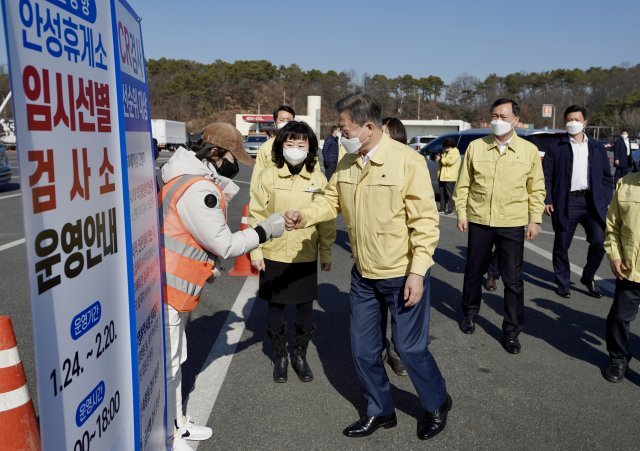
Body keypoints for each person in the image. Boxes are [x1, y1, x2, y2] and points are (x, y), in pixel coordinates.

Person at [285, 93, 451, 441]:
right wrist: (304, 216)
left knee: (408, 348)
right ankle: (381, 410)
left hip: (402, 273)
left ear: (369, 127)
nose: (339, 134)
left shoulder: (408, 162)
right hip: (364, 275)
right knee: (362, 349)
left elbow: (425, 223)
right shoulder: (348, 162)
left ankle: (436, 402)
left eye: (344, 128)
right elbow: (331, 201)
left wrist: (418, 272)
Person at [159, 123, 285, 450]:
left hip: (173, 286)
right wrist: (266, 230)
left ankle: (179, 423)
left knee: (176, 359)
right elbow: (224, 243)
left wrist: (205, 267)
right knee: (169, 365)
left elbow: (186, 237)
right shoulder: (198, 189)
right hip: (169, 292)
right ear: (215, 152)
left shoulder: (183, 178)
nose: (236, 163)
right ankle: (169, 436)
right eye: (233, 156)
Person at [453, 98, 545, 355]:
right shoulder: (476, 147)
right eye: (494, 115)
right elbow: (463, 184)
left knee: (513, 280)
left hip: (512, 222)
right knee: (473, 271)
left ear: (516, 120)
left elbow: (536, 188)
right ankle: (469, 313)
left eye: (503, 116)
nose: (498, 120)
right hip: (481, 220)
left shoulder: (528, 151)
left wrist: (534, 219)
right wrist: (462, 213)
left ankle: (512, 331)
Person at [248, 121, 336, 383]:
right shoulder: (268, 176)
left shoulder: (319, 179)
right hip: (274, 253)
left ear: (310, 148)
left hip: (304, 253)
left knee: (305, 310)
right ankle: (280, 356)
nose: (295, 149)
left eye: (301, 144)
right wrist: (256, 251)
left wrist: (327, 252)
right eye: (289, 144)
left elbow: (327, 217)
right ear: (280, 146)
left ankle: (299, 354)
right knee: (275, 308)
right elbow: (256, 215)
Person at [543, 105, 614, 299]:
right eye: (569, 119)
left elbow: (608, 178)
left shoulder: (597, 148)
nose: (572, 123)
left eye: (576, 119)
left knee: (600, 242)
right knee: (562, 244)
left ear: (585, 122)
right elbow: (546, 176)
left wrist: (607, 199)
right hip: (567, 201)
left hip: (592, 202)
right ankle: (563, 282)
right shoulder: (556, 148)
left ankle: (588, 277)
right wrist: (547, 199)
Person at [603, 171, 640, 382]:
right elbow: (612, 226)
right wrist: (615, 255)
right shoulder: (625, 184)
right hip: (630, 269)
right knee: (618, 318)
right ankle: (618, 358)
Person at [379, 116, 409, 377]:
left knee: (400, 311)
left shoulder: (409, 163)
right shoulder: (368, 163)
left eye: (386, 133)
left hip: (399, 257)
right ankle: (379, 349)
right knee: (376, 312)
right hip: (373, 258)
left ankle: (397, 353)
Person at [249, 105, 296, 189]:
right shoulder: (266, 147)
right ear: (275, 123)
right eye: (281, 120)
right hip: (273, 196)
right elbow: (257, 177)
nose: (285, 123)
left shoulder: (305, 145)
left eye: (289, 120)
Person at [435, 137, 461, 214]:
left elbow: (450, 162)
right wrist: (438, 159)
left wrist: (441, 159)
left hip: (450, 176)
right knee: (442, 193)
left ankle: (450, 209)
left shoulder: (455, 152)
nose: (446, 148)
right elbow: (442, 162)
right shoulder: (444, 151)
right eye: (445, 146)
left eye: (447, 146)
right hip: (442, 175)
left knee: (450, 194)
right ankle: (442, 208)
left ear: (451, 145)